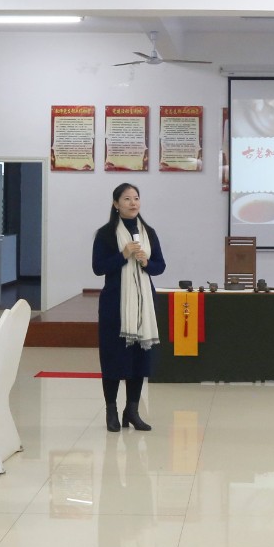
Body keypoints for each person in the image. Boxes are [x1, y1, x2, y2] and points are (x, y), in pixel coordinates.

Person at [92, 183, 165, 432]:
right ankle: (111, 410)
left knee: (139, 359)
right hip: (115, 305)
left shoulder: (149, 232)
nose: (133, 203)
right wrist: (122, 255)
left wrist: (146, 262)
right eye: (127, 199)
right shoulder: (105, 234)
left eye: (136, 198)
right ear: (116, 204)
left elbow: (160, 266)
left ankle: (132, 411)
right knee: (113, 357)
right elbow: (98, 267)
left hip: (143, 305)